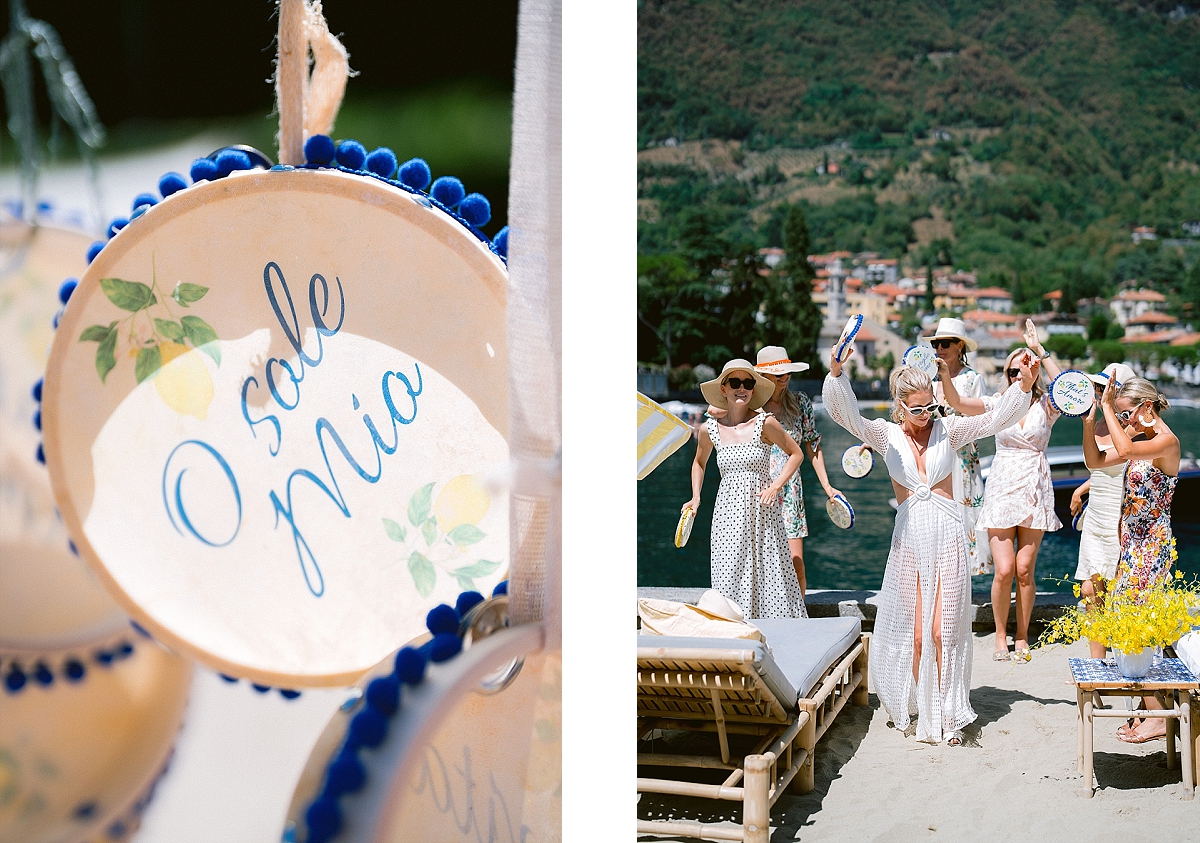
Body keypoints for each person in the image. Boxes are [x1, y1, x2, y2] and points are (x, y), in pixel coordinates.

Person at [822, 345, 1036, 745]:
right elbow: (843, 414)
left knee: (943, 631)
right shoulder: (884, 436)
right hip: (909, 539)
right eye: (918, 409)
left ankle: (949, 716)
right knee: (918, 636)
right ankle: (926, 706)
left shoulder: (949, 429)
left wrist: (1024, 383)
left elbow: (996, 418)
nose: (927, 416)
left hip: (949, 535)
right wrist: (836, 371)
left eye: (932, 407)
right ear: (900, 407)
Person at [943, 321, 1062, 663]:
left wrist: (1039, 351)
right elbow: (957, 402)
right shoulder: (998, 403)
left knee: (1025, 569)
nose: (1016, 375)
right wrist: (943, 375)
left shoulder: (1046, 406)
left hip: (1036, 486)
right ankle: (999, 634)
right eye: (1011, 370)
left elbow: (1069, 388)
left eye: (1023, 370)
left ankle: (1022, 635)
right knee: (1005, 569)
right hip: (1002, 486)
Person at [1086, 375, 1181, 744]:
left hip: (1151, 546)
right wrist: (1087, 422)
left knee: (1131, 623)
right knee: (1132, 624)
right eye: (1121, 415)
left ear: (1147, 407)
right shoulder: (1141, 440)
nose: (1123, 422)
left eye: (1127, 413)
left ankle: (1156, 715)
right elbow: (1095, 460)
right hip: (1132, 545)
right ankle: (1149, 710)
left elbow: (1123, 452)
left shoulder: (1166, 441)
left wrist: (1108, 407)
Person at [683, 360, 808, 619]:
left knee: (769, 573)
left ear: (753, 390)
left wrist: (776, 485)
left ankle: (779, 637)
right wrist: (696, 498)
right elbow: (698, 462)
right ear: (724, 388)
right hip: (727, 513)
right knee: (729, 572)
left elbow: (796, 454)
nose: (742, 388)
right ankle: (732, 633)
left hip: (762, 513)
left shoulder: (765, 423)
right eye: (735, 383)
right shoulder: (710, 430)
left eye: (748, 383)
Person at [754, 345, 843, 597]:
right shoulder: (750, 407)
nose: (784, 376)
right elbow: (716, 414)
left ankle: (799, 621)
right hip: (759, 491)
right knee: (760, 566)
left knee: (796, 565)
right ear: (762, 375)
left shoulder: (800, 403)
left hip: (791, 493)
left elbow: (813, 446)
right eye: (777, 371)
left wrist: (827, 487)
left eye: (786, 370)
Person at [1072, 363, 1135, 659]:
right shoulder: (1095, 423)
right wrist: (1082, 489)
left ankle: (1127, 659)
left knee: (1120, 592)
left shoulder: (1135, 430)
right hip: (1097, 513)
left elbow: (1120, 461)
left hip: (1121, 515)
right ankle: (1097, 664)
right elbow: (1095, 464)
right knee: (1090, 591)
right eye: (1098, 387)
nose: (1099, 393)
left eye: (1105, 387)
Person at [927, 317, 990, 576]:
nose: (939, 348)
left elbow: (983, 422)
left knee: (964, 516)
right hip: (932, 456)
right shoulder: (928, 381)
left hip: (962, 459)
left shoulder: (973, 379)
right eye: (936, 344)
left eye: (945, 343)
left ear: (959, 346)